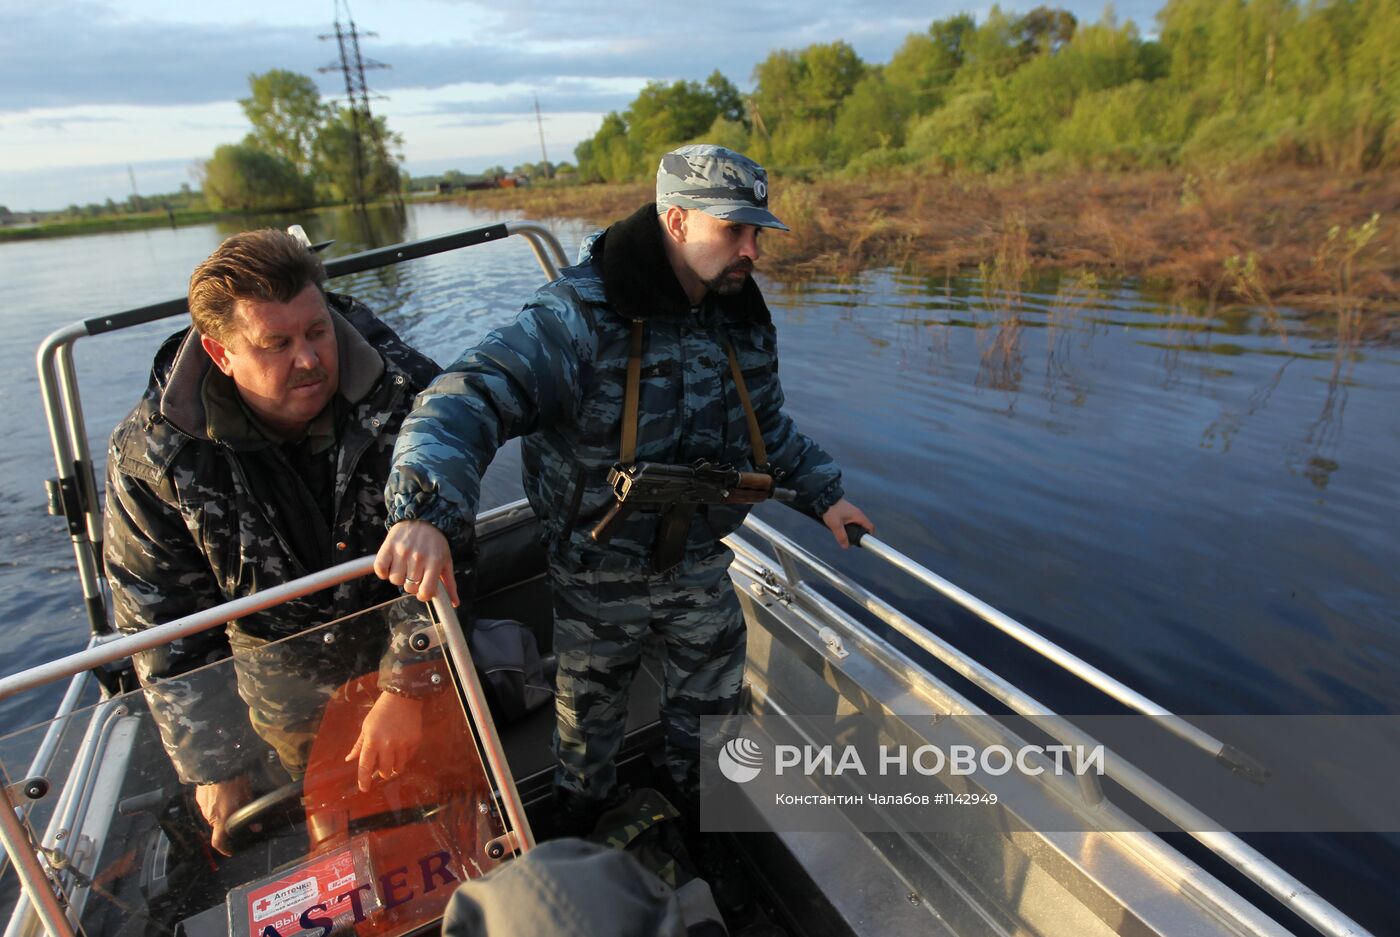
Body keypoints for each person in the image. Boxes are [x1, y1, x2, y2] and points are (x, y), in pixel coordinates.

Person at [375, 144, 872, 832]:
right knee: (589, 734)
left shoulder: (739, 315)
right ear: (676, 221)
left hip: (697, 564)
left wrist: (825, 494)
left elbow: (766, 428)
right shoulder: (577, 316)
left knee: (717, 719)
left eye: (757, 232)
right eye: (734, 230)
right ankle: (588, 832)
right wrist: (426, 512)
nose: (752, 250)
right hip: (597, 574)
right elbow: (464, 400)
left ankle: (706, 822)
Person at [104, 228, 444, 855]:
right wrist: (214, 764)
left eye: (317, 331)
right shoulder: (155, 457)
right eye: (276, 344)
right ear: (221, 352)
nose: (310, 359)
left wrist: (407, 684)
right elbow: (161, 618)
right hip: (281, 681)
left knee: (448, 799)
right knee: (328, 827)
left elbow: (447, 538)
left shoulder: (405, 395)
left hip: (416, 637)